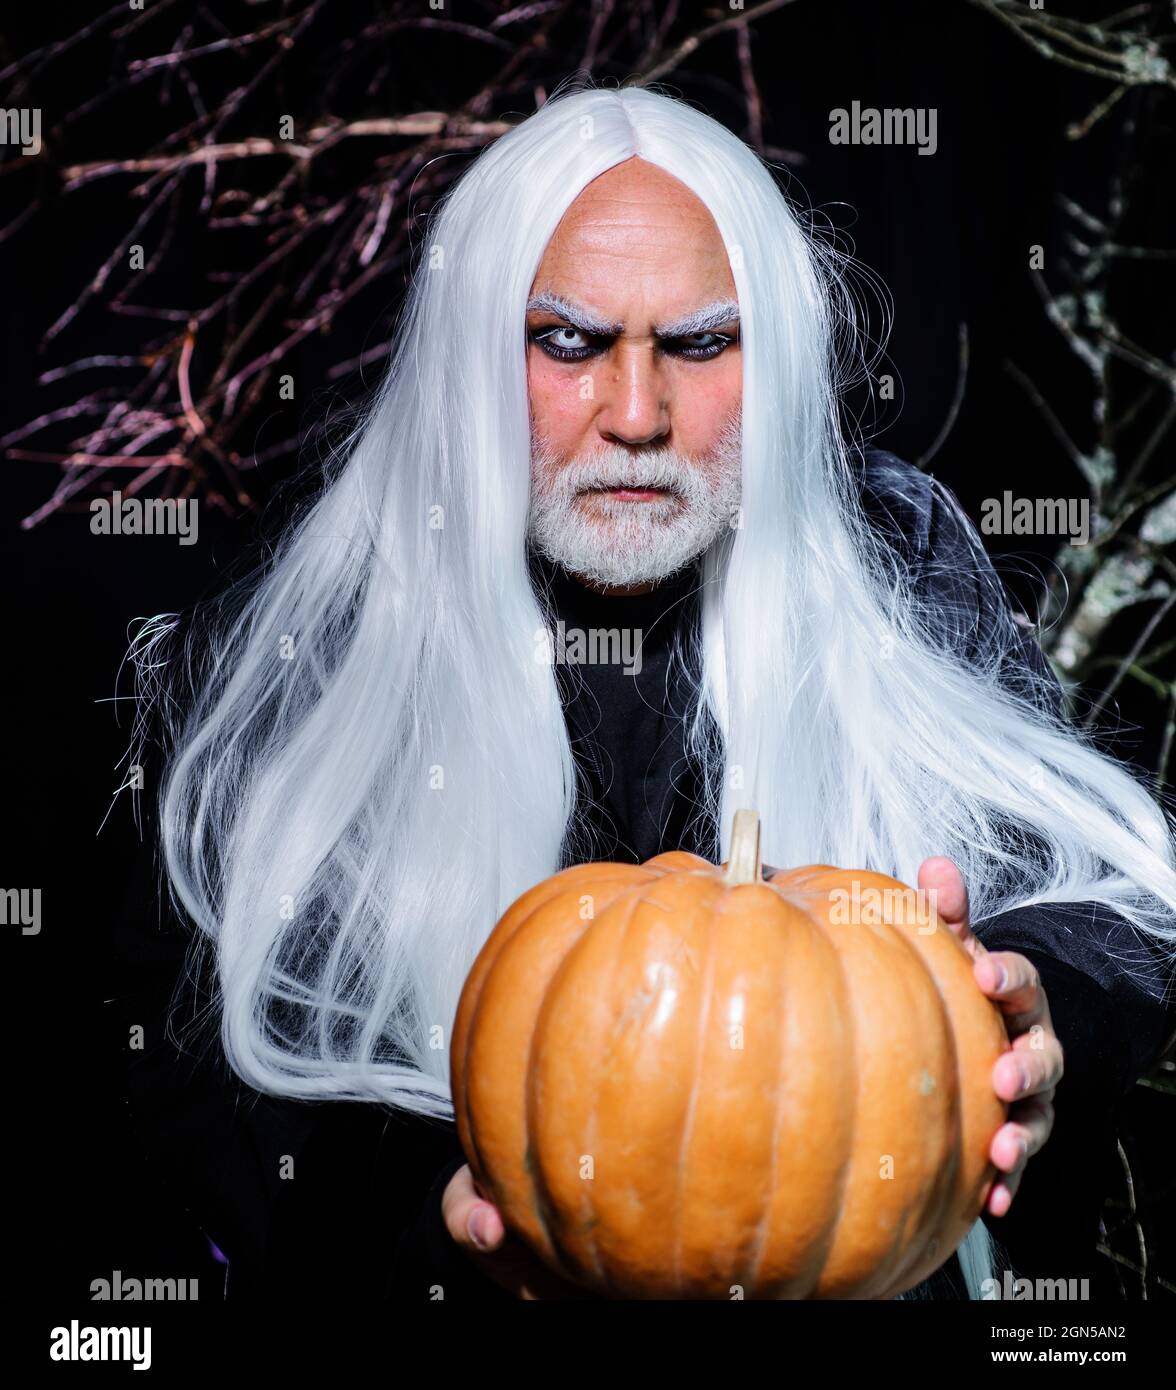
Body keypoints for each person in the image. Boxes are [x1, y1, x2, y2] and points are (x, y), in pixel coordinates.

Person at [120, 82, 1176, 1302]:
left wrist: (1020, 1009)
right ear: (473, 354)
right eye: (569, 343)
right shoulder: (317, 629)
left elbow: (1104, 889)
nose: (636, 415)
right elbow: (203, 1083)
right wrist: (436, 1235)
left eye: (700, 343)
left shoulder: (895, 552)